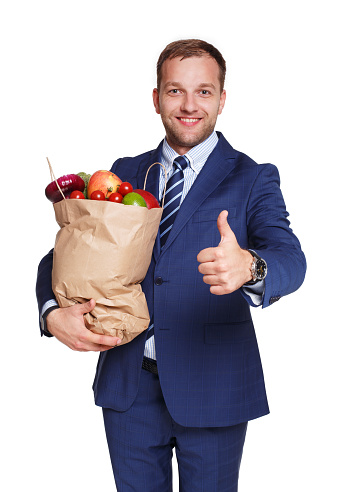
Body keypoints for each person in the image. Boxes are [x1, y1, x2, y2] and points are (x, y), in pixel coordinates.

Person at [36, 39, 306, 491]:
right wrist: (50, 312)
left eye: (203, 92)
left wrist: (250, 267)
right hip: (129, 386)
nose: (188, 105)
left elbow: (290, 256)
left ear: (222, 99)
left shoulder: (253, 176)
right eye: (175, 90)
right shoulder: (124, 171)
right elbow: (66, 252)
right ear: (156, 97)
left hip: (214, 386)